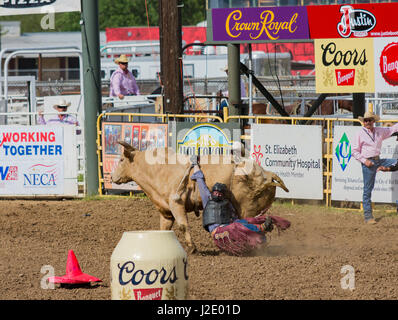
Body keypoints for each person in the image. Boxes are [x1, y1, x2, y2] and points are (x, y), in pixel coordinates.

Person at [189, 156, 290, 256]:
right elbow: (200, 179)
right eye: (216, 192)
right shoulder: (207, 199)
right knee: (236, 226)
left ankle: (278, 223)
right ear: (212, 193)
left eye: (220, 193)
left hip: (231, 231)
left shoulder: (228, 204)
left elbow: (237, 220)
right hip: (219, 234)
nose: (218, 194)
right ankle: (261, 228)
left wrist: (254, 219)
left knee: (249, 220)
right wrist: (195, 164)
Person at [352, 111, 398, 225]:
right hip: (369, 163)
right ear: (363, 122)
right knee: (367, 189)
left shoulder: (379, 131)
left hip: (378, 160)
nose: (367, 122)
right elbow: (353, 151)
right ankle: (368, 217)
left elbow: (392, 129)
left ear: (373, 121)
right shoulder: (359, 133)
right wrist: (364, 161)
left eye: (369, 120)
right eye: (366, 120)